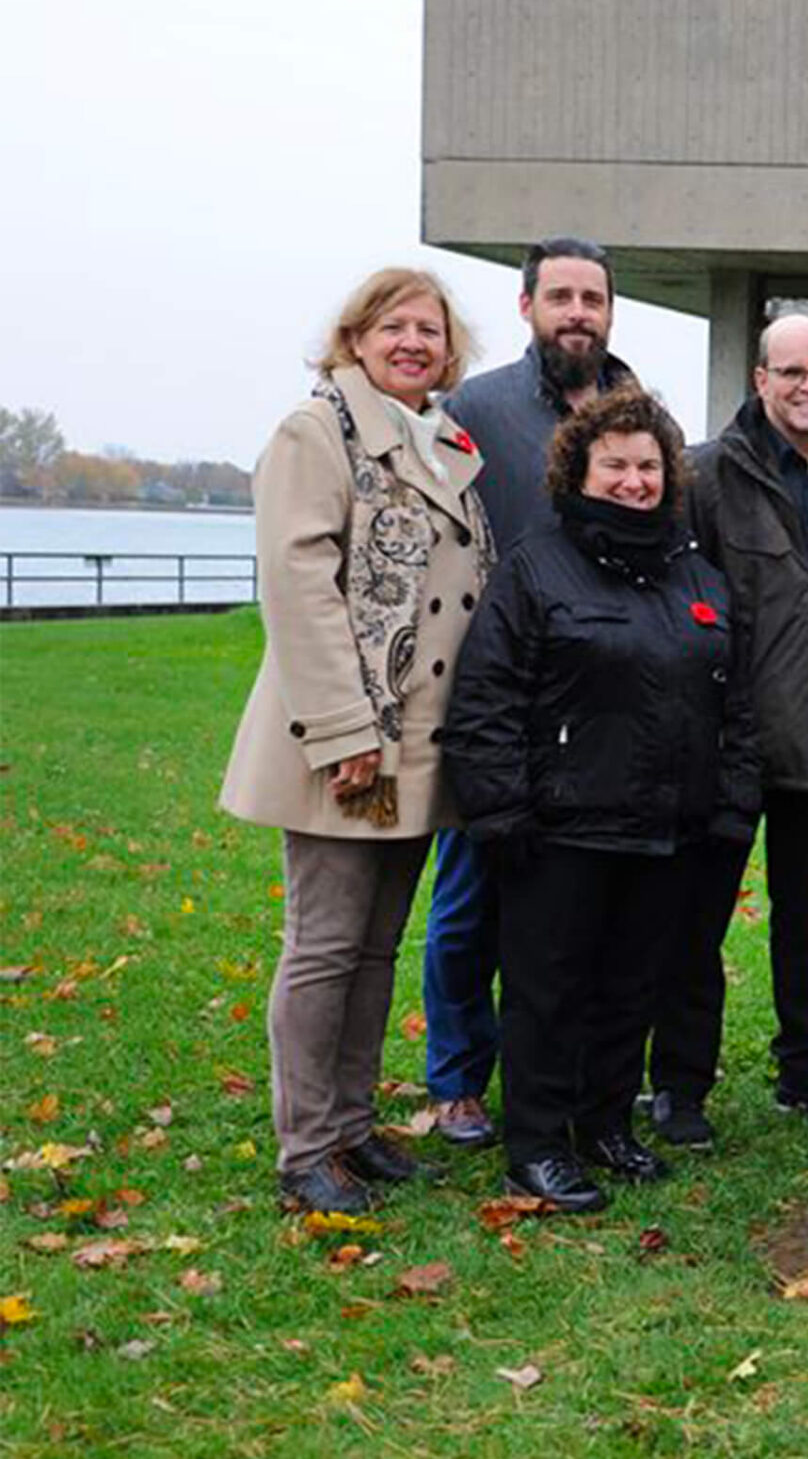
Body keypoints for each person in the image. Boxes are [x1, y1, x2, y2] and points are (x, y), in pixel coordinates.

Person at [443, 388, 760, 1211]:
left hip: (669, 829)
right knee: (550, 991)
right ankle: (539, 1143)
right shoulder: (536, 566)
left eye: (648, 464)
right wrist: (501, 812)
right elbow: (486, 699)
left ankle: (606, 1122)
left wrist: (729, 805)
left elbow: (737, 701)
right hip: (561, 828)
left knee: (633, 985)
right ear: (579, 469)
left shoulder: (695, 572)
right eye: (614, 463)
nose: (633, 480)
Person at [219, 267, 491, 1212]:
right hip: (343, 740)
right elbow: (297, 588)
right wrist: (344, 732)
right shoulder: (316, 433)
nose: (414, 342)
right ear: (356, 336)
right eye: (395, 326)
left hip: (418, 741)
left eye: (431, 330)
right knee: (326, 944)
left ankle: (350, 1128)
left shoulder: (444, 443)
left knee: (377, 947)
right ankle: (306, 1151)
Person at [419, 236, 637, 1150]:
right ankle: (458, 1078)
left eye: (593, 297)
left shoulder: (635, 407)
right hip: (499, 691)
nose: (578, 312)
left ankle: (556, 1069)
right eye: (562, 297)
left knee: (568, 910)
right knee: (472, 898)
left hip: (596, 699)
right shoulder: (476, 408)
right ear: (527, 307)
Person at [669, 315, 808, 1141]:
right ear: (760, 378)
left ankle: (807, 1070)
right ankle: (680, 1085)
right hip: (726, 743)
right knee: (696, 921)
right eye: (794, 371)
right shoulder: (704, 476)